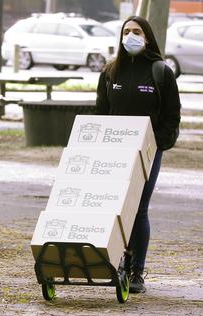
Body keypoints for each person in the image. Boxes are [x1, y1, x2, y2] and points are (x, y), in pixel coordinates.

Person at [95, 16, 181, 294]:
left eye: (137, 32)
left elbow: (171, 115)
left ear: (147, 37)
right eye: (126, 31)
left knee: (139, 208)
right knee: (116, 207)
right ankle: (115, 261)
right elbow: (101, 112)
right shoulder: (110, 71)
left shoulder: (160, 72)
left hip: (147, 152)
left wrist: (160, 144)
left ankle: (136, 272)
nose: (131, 36)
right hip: (114, 150)